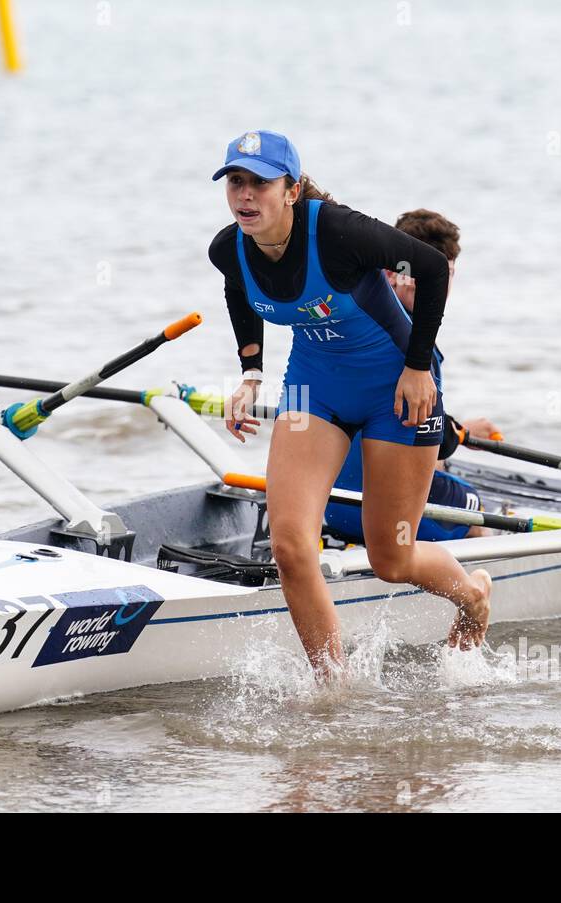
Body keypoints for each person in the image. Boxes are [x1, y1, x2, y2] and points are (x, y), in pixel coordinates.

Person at [209, 130, 491, 673]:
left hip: (398, 387)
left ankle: (473, 597)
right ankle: (331, 689)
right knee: (292, 549)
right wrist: (250, 374)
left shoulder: (338, 232)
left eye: (261, 183)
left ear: (290, 190)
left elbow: (430, 268)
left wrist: (416, 364)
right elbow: (237, 291)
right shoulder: (229, 248)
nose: (246, 196)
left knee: (391, 557)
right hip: (316, 388)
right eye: (236, 182)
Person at [324, 209, 500, 544]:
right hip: (386, 518)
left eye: (445, 273)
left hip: (333, 507)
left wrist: (457, 432)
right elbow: (433, 445)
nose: (437, 284)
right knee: (475, 509)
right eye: (423, 272)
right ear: (390, 273)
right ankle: (476, 583)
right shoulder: (417, 350)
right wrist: (458, 436)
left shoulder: (348, 328)